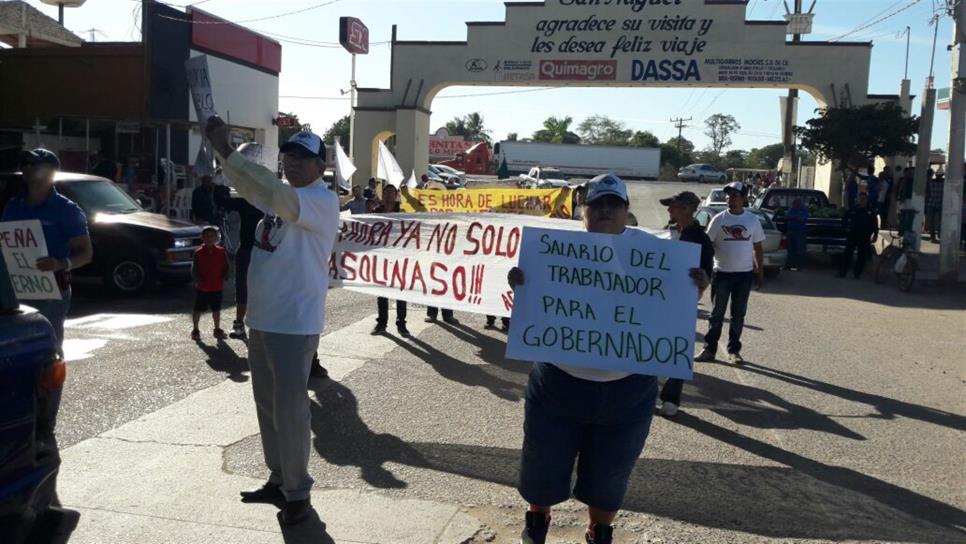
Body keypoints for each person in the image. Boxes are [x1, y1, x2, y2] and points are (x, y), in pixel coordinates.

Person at [508, 174, 709, 544]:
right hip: (557, 383)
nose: (604, 211)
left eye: (612, 205)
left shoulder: (655, 254)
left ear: (626, 211)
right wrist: (522, 282)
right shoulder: (553, 250)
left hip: (628, 391)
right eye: (596, 204)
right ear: (582, 210)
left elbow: (670, 309)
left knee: (610, 471)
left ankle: (599, 529)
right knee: (543, 463)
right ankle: (538, 521)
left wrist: (693, 288)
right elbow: (529, 302)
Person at [206, 118, 339, 526]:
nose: (294, 163)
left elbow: (270, 191)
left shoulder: (320, 200)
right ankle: (279, 478)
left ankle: (297, 492)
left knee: (290, 408)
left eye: (304, 157)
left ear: (321, 166)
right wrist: (222, 156)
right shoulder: (282, 199)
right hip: (263, 320)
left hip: (293, 323)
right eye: (289, 156)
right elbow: (253, 188)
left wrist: (227, 152)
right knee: (267, 406)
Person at [2, 149, 93, 357]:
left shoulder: (67, 210)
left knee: (48, 349)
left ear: (51, 172)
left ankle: (50, 389)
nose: (26, 169)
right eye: (24, 164)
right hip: (15, 289)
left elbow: (85, 253)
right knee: (15, 347)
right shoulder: (13, 205)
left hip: (52, 292)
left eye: (33, 164)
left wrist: (60, 264)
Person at [694, 181, 765, 365]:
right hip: (722, 274)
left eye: (734, 196)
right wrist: (704, 270)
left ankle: (734, 351)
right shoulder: (719, 220)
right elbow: (707, 246)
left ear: (743, 199)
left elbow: (757, 247)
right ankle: (709, 350)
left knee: (738, 315)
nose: (730, 199)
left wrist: (760, 271)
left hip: (744, 275)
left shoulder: (752, 220)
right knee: (717, 314)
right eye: (728, 196)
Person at [657, 191, 713, 418]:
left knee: (677, 347)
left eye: (674, 207)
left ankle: (671, 399)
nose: (669, 211)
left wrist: (703, 280)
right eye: (669, 207)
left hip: (682, 301)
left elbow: (707, 274)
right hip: (658, 298)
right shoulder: (668, 231)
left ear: (688, 210)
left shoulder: (700, 238)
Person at [371, 184, 411, 337]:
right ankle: (382, 323)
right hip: (381, 258)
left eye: (391, 193)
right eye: (386, 192)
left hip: (399, 258)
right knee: (382, 292)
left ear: (396, 195)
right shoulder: (376, 211)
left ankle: (401, 324)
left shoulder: (403, 211)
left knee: (401, 293)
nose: (388, 195)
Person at [191, 226, 231, 340]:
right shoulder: (198, 253)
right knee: (198, 309)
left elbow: (226, 265)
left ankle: (217, 329)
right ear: (202, 238)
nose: (209, 239)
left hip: (217, 285)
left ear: (216, 238)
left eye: (212, 236)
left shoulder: (221, 251)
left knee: (216, 310)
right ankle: (195, 329)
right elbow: (195, 268)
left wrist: (226, 275)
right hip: (203, 286)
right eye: (206, 236)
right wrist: (197, 279)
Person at [837, 192, 879, 279]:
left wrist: (875, 235)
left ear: (867, 200)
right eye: (861, 198)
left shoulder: (871, 211)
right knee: (847, 254)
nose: (862, 200)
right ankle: (842, 273)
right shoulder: (854, 209)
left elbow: (875, 224)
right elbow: (844, 218)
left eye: (864, 199)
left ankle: (857, 273)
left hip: (864, 237)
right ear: (858, 199)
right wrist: (845, 228)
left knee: (862, 256)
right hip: (853, 235)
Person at [784, 197, 809, 270]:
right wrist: (795, 217)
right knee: (790, 249)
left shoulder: (804, 210)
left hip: (799, 232)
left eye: (796, 203)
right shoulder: (791, 209)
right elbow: (786, 217)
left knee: (800, 249)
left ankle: (800, 266)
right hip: (790, 231)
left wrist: (792, 217)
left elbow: (801, 219)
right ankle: (788, 265)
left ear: (800, 204)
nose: (795, 205)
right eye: (794, 203)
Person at [926, 171, 944, 242]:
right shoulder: (943, 183)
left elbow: (928, 192)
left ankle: (932, 236)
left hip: (931, 203)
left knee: (932, 221)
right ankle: (938, 234)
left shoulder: (931, 182)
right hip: (940, 203)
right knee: (939, 221)